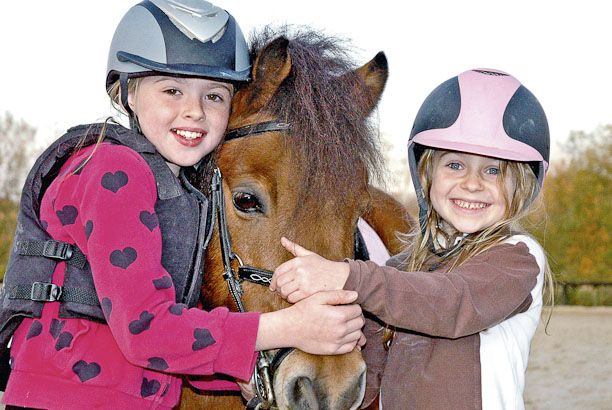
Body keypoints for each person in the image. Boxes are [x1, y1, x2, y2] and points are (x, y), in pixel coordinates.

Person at [0, 1, 364, 409]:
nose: (194, 111)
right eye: (172, 90)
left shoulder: (178, 188)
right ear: (127, 94)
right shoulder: (114, 169)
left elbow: (170, 332)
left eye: (214, 95)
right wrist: (289, 327)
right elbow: (144, 330)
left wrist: (242, 378)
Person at [270, 68, 554, 410]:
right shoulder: (400, 270)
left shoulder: (518, 258)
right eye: (455, 165)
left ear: (521, 185)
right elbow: (369, 383)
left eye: (493, 170)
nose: (473, 183)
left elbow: (452, 305)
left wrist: (346, 275)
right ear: (426, 174)